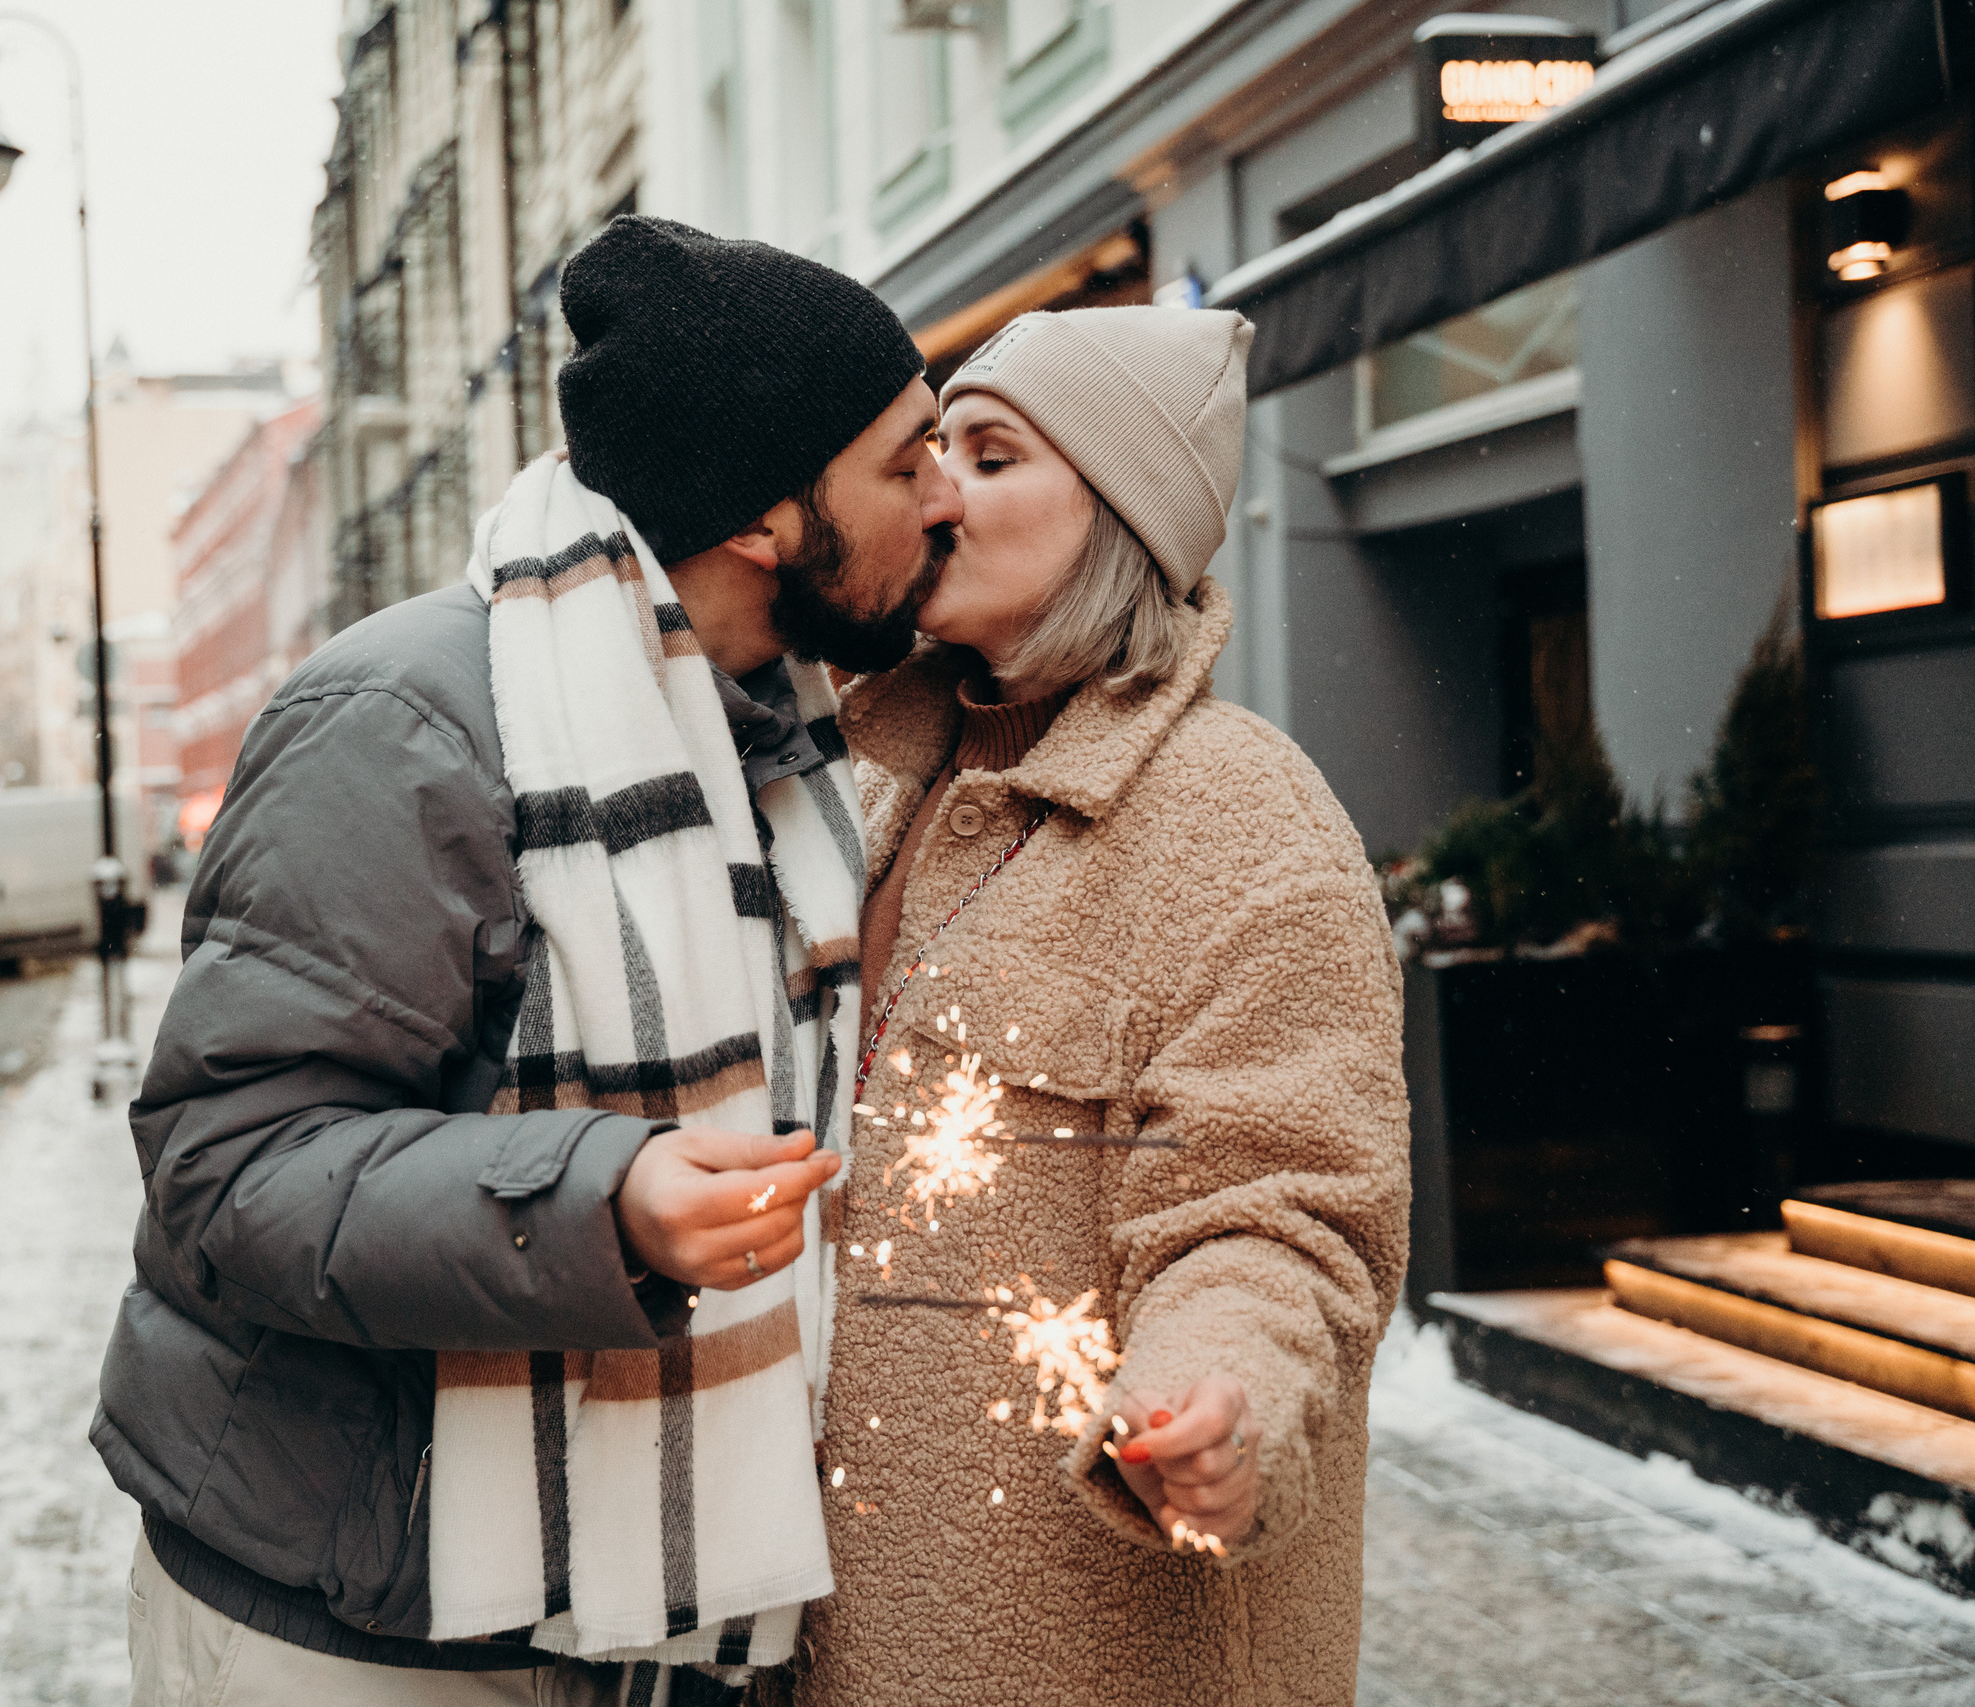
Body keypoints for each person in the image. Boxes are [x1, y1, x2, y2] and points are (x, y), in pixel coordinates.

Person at [92, 216, 961, 1706]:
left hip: (629, 1635)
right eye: (907, 460)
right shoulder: (406, 725)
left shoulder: (774, 736)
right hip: (354, 1628)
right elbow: (229, 1173)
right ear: (766, 517)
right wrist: (602, 1203)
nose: (945, 497)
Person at [795, 307, 1410, 1706]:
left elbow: (1284, 1211)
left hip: (1087, 1648)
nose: (937, 489)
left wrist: (1217, 1396)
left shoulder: (1243, 818)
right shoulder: (873, 792)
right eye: (933, 449)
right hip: (842, 1634)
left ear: (1120, 515)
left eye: (992, 453)